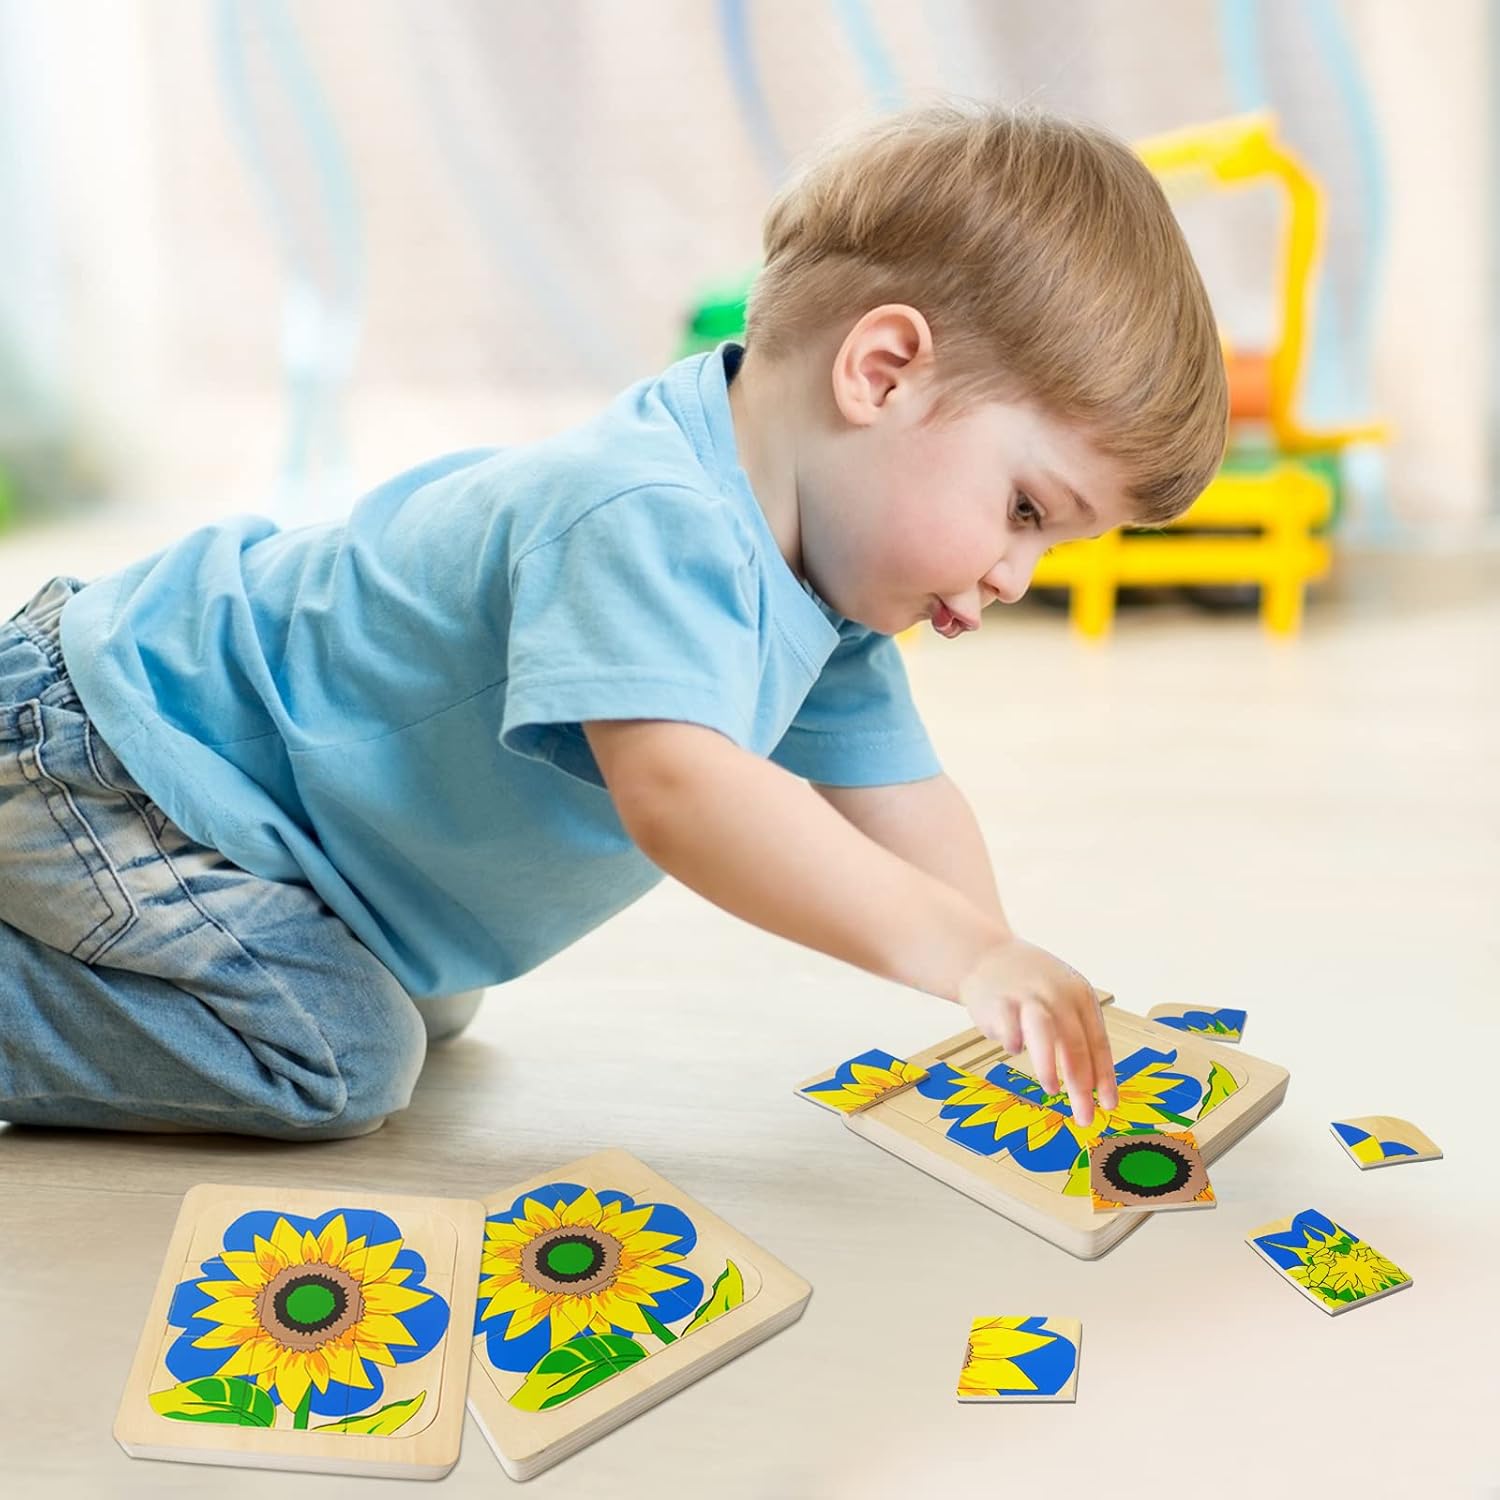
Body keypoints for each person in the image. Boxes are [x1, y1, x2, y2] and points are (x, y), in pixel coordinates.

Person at [0, 102, 1226, 1140]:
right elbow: (685, 795)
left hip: (259, 822)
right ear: (883, 371)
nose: (1019, 575)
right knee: (338, 1052)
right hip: (111, 758)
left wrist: (1004, 978)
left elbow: (902, 797)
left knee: (433, 1001)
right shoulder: (647, 510)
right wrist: (961, 956)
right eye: (1023, 509)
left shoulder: (828, 591)